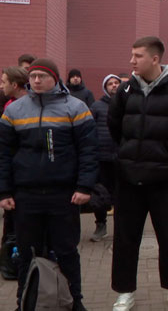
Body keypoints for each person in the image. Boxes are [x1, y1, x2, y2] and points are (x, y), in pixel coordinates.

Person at [108, 36, 168, 311]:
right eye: (132, 54)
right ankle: (124, 292)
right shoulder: (124, 92)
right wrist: (128, 155)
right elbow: (114, 128)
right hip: (129, 179)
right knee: (126, 239)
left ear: (154, 58)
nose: (131, 60)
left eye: (137, 55)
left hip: (166, 181)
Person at [0, 58, 97, 311]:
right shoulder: (14, 111)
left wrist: (84, 187)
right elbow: (3, 154)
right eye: (33, 77)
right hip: (26, 196)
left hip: (64, 195)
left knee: (66, 253)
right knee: (26, 254)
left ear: (55, 78)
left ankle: (74, 301)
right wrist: (4, 191)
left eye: (42, 76)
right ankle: (25, 302)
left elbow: (88, 151)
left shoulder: (76, 107)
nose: (37, 81)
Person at [88, 74, 122, 242]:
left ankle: (121, 229)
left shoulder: (126, 103)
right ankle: (100, 225)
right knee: (100, 194)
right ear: (105, 87)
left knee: (121, 195)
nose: (114, 86)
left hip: (122, 158)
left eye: (117, 83)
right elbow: (89, 130)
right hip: (101, 157)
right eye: (110, 83)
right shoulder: (97, 106)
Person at [0, 66, 29, 245]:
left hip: (21, 174)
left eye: (4, 82)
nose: (1, 86)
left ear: (15, 84)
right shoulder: (9, 104)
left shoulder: (18, 107)